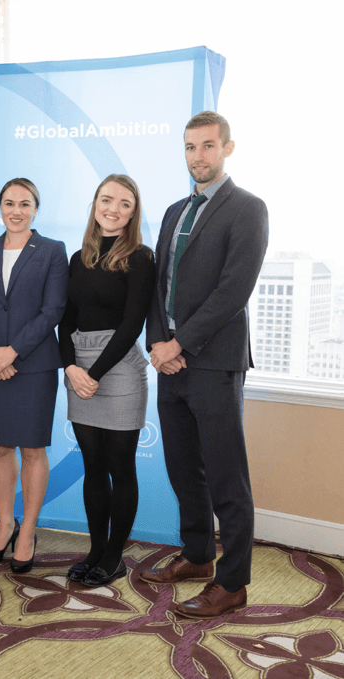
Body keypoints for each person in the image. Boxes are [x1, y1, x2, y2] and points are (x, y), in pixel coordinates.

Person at [140, 111, 268, 618]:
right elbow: (157, 286)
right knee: (181, 469)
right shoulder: (174, 211)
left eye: (208, 146)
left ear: (227, 149)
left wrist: (181, 345)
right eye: (191, 147)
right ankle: (197, 557)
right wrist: (158, 343)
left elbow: (233, 292)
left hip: (213, 363)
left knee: (225, 477)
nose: (199, 156)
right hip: (170, 363)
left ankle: (233, 582)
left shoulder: (248, 208)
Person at [0, 178, 68, 573]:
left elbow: (52, 311)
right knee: (0, 448)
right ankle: (4, 525)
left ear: (36, 209)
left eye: (25, 203)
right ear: (0, 207)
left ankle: (28, 529)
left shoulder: (53, 251)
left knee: (31, 449)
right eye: (9, 203)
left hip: (34, 366)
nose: (16, 210)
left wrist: (14, 351)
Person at [58, 174, 155, 587]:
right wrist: (71, 369)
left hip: (118, 370)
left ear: (133, 213)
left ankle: (115, 558)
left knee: (120, 466)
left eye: (125, 204)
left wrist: (93, 374)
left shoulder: (141, 257)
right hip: (79, 370)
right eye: (107, 199)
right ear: (95, 203)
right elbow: (65, 321)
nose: (113, 209)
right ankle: (96, 551)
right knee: (92, 466)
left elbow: (133, 324)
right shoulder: (78, 258)